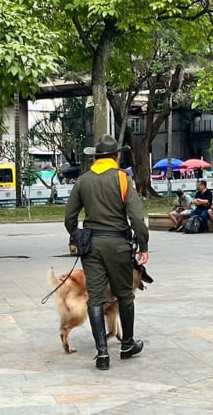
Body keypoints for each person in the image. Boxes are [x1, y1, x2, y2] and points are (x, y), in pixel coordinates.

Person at [64, 135, 149, 370]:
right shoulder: (122, 178)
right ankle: (127, 345)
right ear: (116, 156)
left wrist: (77, 235)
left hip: (92, 246)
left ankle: (102, 353)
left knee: (96, 298)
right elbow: (136, 218)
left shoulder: (83, 180)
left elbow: (69, 217)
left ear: (95, 157)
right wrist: (143, 245)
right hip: (119, 245)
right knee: (125, 295)